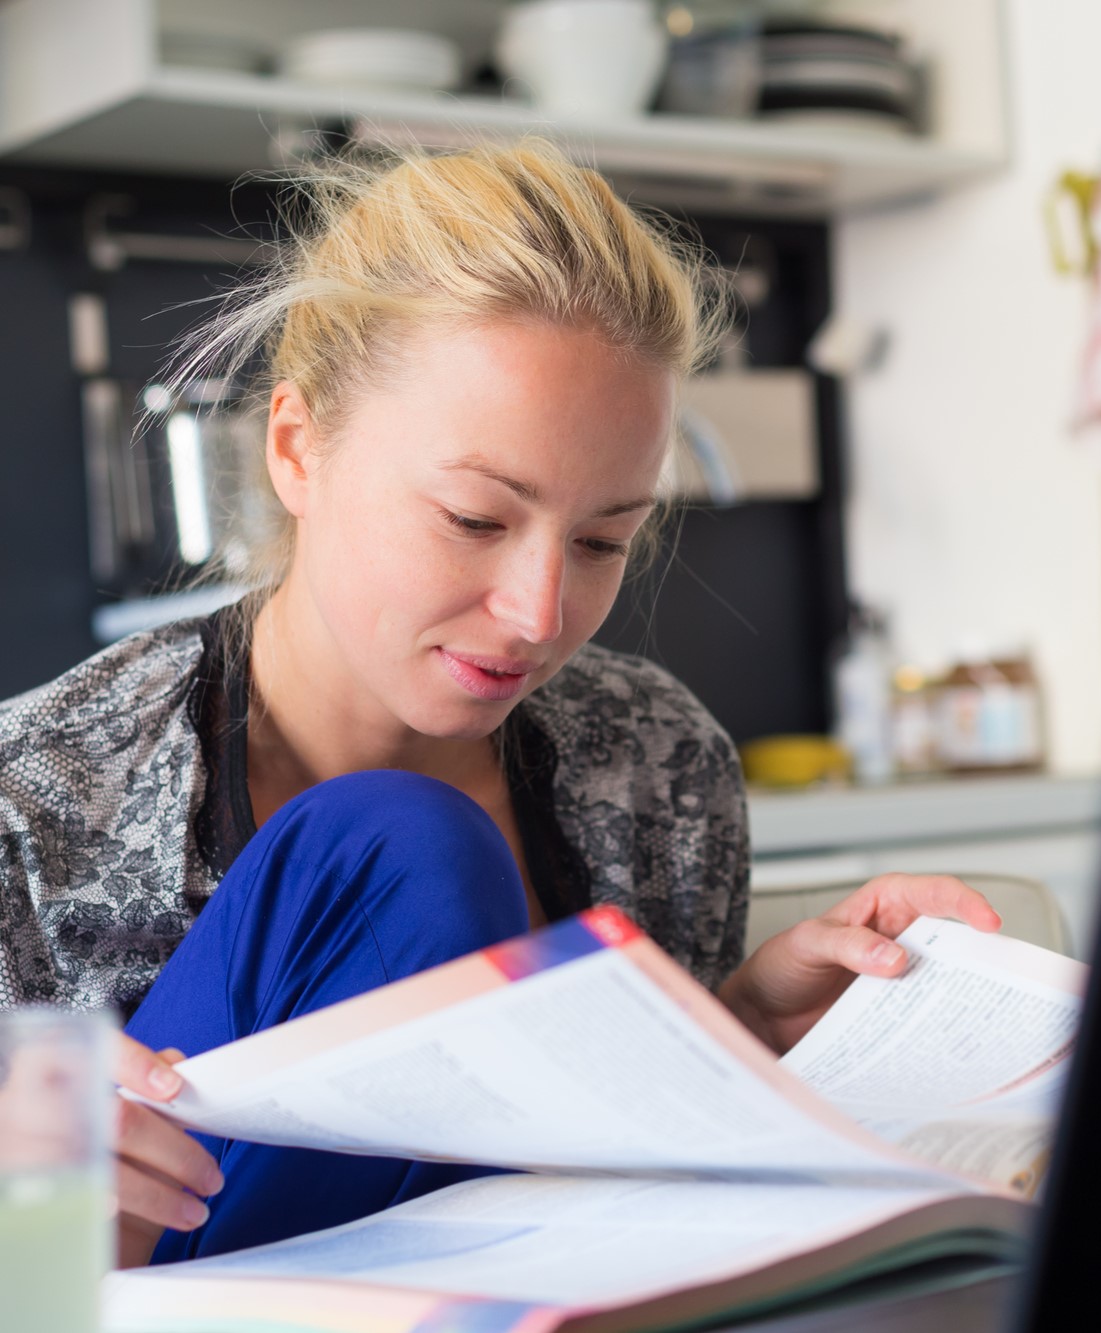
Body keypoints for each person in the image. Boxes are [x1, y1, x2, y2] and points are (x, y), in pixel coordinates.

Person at [0, 142, 1000, 1269]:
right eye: (475, 518)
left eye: (602, 539)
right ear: (296, 447)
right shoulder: (38, 805)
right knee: (399, 849)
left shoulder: (658, 768)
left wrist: (741, 1031)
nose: (536, 612)